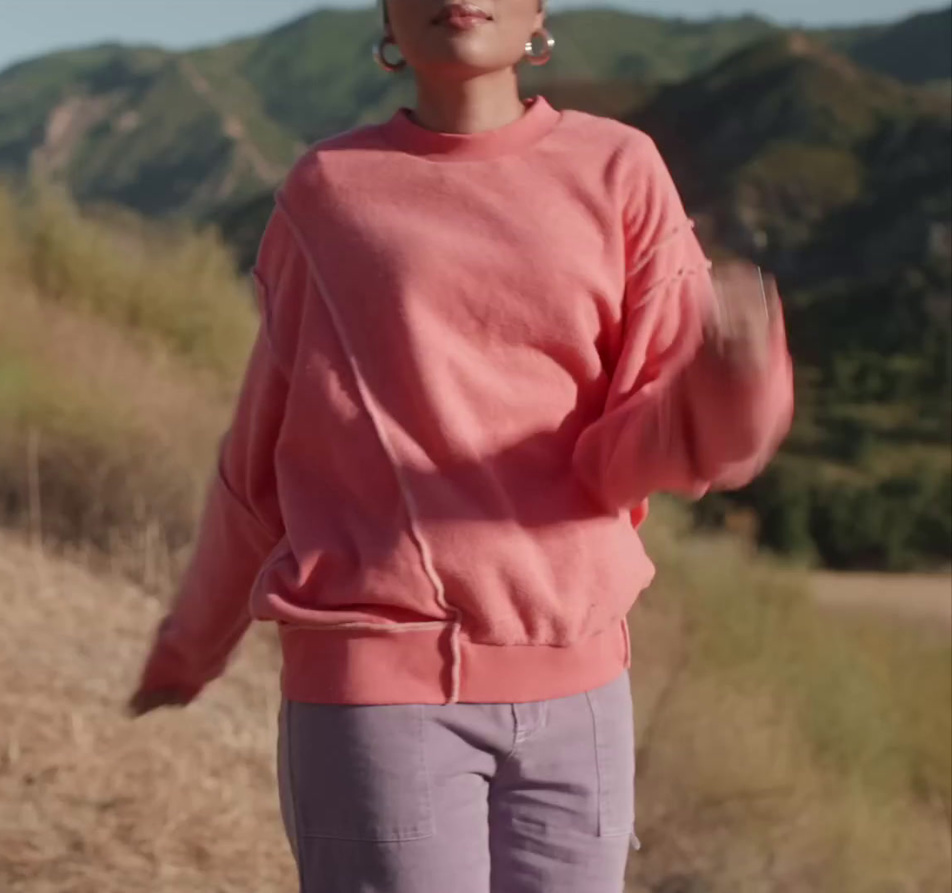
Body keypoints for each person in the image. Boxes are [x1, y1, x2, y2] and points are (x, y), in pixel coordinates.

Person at [128, 0, 794, 891]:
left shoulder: (621, 172)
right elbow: (262, 457)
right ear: (387, 17)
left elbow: (623, 460)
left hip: (580, 696)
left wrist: (733, 384)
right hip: (377, 692)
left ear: (539, 12)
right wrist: (190, 645)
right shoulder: (328, 192)